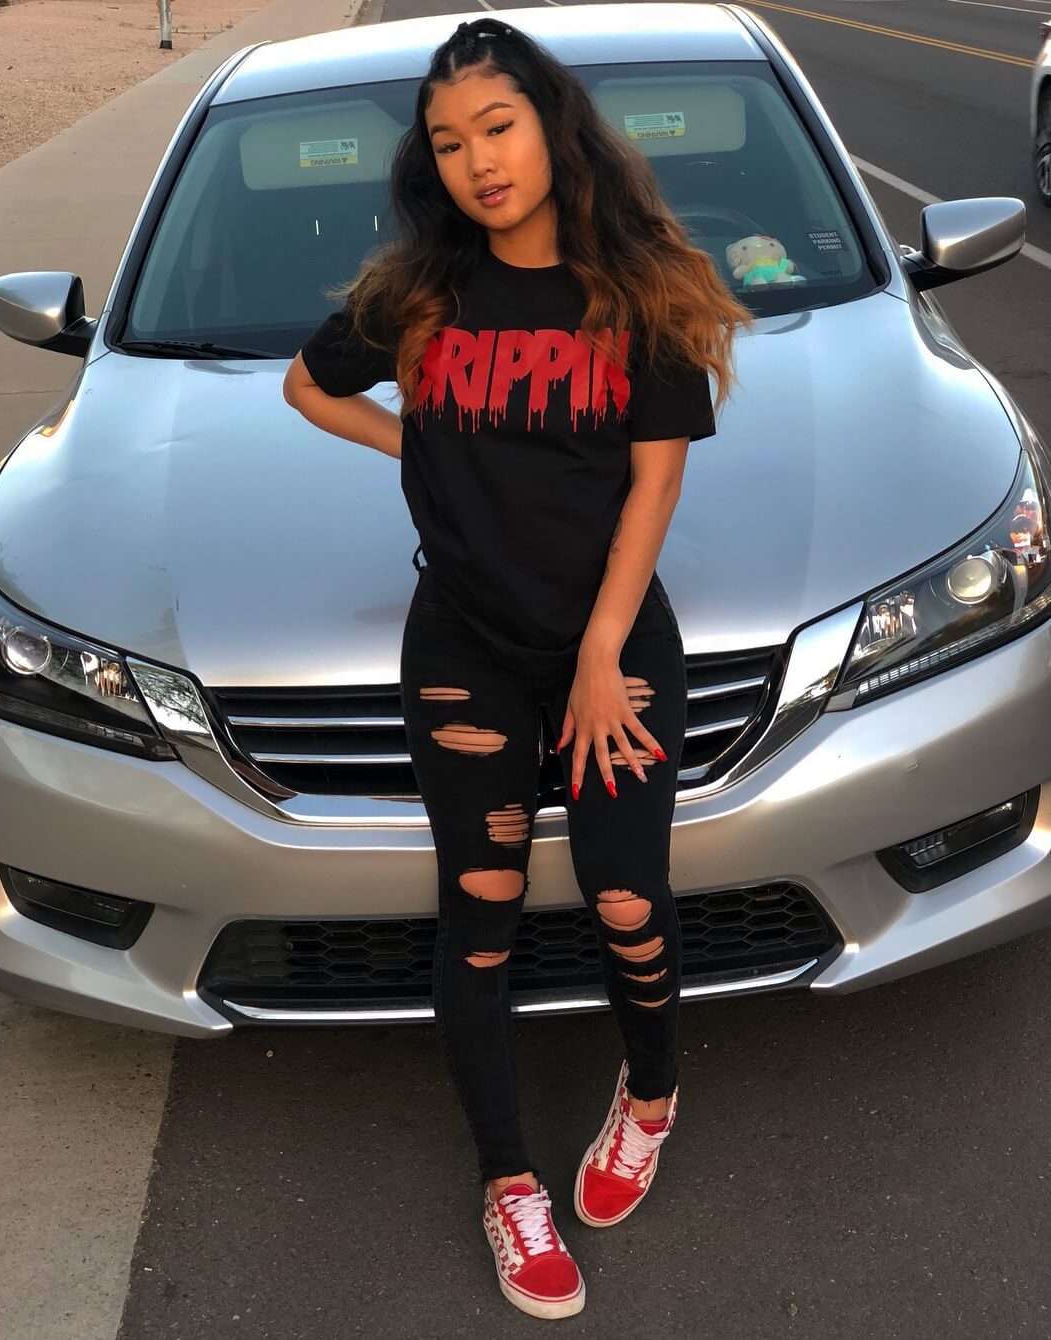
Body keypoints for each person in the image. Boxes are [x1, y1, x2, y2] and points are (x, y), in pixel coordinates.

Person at [283, 16, 752, 1320]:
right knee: (479, 907)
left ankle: (649, 1095)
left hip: (612, 641)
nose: (478, 161)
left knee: (626, 898)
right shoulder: (423, 297)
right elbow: (309, 389)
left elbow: (654, 484)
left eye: (498, 127)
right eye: (449, 143)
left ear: (553, 127)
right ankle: (508, 1181)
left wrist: (601, 655)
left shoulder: (640, 289)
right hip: (466, 648)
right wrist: (431, 452)